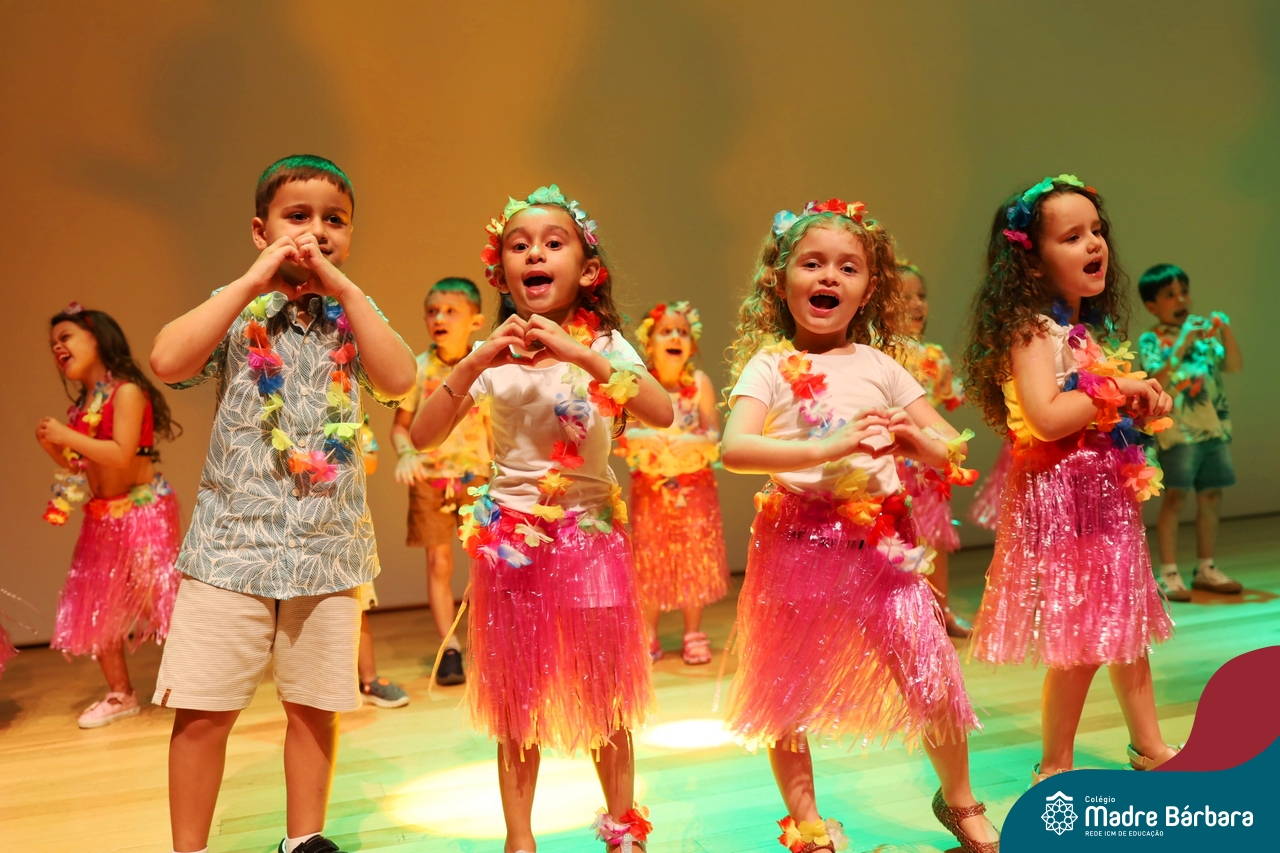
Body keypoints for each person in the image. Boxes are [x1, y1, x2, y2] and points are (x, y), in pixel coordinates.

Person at [148, 155, 416, 853]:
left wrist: (347, 291)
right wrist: (249, 282)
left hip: (327, 549)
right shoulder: (238, 309)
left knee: (315, 707)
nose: (317, 231)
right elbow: (167, 361)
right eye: (298, 216)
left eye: (335, 220)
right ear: (260, 229)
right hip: (230, 549)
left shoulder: (354, 315)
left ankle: (304, 840)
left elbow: (400, 380)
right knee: (203, 710)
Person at [721, 198, 998, 853]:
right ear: (780, 279)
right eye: (812, 263)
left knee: (933, 675)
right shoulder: (770, 366)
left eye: (847, 267)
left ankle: (960, 799)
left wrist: (918, 439)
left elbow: (950, 446)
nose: (829, 276)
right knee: (784, 695)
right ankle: (808, 822)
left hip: (881, 549)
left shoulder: (882, 366)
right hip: (797, 545)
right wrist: (825, 447)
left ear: (869, 289)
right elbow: (733, 448)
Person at [410, 185, 673, 853]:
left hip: (590, 535)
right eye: (519, 245)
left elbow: (661, 411)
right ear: (501, 272)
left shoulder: (605, 344)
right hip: (513, 545)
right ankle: (519, 840)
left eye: (553, 243)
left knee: (607, 695)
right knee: (515, 699)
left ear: (588, 269)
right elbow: (423, 434)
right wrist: (476, 358)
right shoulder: (491, 357)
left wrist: (582, 354)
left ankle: (624, 833)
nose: (535, 253)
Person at [962, 175, 1179, 782]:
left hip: (1104, 495)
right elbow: (1048, 416)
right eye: (1073, 236)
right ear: (1032, 262)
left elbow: (1092, 409)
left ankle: (1149, 746)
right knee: (1082, 639)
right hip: (1064, 500)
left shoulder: (1085, 334)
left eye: (1097, 231)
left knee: (1126, 623)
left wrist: (1137, 405)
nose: (1095, 244)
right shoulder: (1033, 331)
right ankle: (1054, 767)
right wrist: (1119, 388)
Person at [37, 304, 182, 727]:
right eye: (53, 344)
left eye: (65, 338)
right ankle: (121, 694)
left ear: (97, 338)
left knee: (159, 602)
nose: (57, 348)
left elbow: (120, 455)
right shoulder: (83, 405)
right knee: (98, 606)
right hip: (101, 516)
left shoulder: (127, 392)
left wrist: (66, 434)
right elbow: (81, 465)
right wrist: (55, 446)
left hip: (141, 510)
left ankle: (204, 682)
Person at [390, 277, 491, 686]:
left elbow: (495, 426)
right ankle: (450, 647)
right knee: (439, 562)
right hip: (430, 480)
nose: (439, 318)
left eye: (451, 311)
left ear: (476, 321)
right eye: (432, 311)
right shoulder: (418, 368)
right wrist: (407, 453)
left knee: (484, 563)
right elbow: (401, 426)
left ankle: (486, 642)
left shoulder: (484, 367)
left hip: (476, 478)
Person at [617, 301, 728, 665]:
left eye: (682, 332)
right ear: (649, 344)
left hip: (694, 488)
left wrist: (693, 441)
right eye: (666, 331)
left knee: (694, 556)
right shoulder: (640, 384)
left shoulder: (699, 384)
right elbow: (623, 435)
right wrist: (642, 437)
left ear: (692, 345)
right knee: (651, 557)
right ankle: (648, 632)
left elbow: (714, 434)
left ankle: (693, 632)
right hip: (651, 487)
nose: (676, 337)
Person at [1136, 264, 1244, 600]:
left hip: (1212, 430)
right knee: (1176, 498)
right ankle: (1169, 573)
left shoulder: (1202, 338)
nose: (1181, 299)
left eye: (1184, 292)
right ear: (1152, 305)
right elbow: (1156, 378)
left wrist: (1225, 331)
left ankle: (1206, 568)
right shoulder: (1152, 339)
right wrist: (1182, 342)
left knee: (1211, 496)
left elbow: (1233, 365)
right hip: (1177, 433)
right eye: (1170, 295)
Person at [894, 261, 975, 638]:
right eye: (904, 297)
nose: (916, 305)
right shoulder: (873, 354)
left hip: (925, 466)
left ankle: (941, 610)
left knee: (934, 538)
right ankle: (895, 617)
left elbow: (946, 400)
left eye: (921, 296)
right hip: (888, 464)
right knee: (893, 540)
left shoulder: (933, 356)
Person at [354, 415, 410, 708]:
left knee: (356, 599)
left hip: (342, 520)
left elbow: (371, 461)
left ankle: (369, 680)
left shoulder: (346, 405)